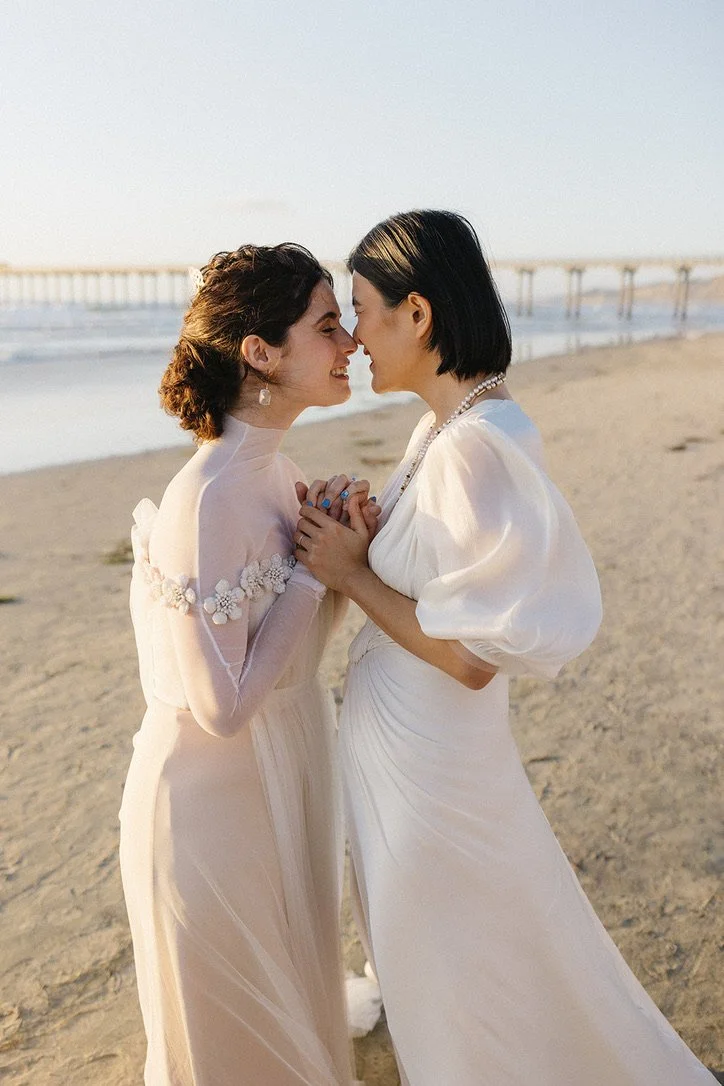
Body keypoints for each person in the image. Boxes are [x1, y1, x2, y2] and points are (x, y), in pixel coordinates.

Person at [294, 210, 717, 1085]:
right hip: (422, 763)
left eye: (364, 310)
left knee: (459, 994)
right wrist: (372, 541)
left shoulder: (473, 449)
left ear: (418, 314)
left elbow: (470, 654)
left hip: (433, 778)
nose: (356, 335)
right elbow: (450, 586)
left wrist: (350, 571)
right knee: (468, 976)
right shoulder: (449, 430)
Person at [119, 243, 376, 1086]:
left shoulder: (277, 470)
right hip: (208, 811)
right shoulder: (210, 497)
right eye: (328, 326)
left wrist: (340, 560)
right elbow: (223, 706)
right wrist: (311, 574)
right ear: (261, 352)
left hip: (269, 780)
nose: (350, 345)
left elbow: (289, 657)